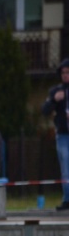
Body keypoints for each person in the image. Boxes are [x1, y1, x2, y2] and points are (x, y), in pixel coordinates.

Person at [41, 58, 69, 211]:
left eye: (68, 72)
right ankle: (67, 199)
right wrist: (53, 100)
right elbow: (45, 110)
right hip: (63, 135)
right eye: (63, 72)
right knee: (66, 168)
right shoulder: (56, 91)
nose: (65, 75)